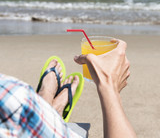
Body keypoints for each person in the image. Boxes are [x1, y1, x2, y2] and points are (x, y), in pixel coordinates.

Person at [0, 39, 136, 138]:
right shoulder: (11, 93)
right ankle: (53, 109)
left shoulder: (9, 91)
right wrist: (109, 86)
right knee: (14, 99)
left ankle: (46, 102)